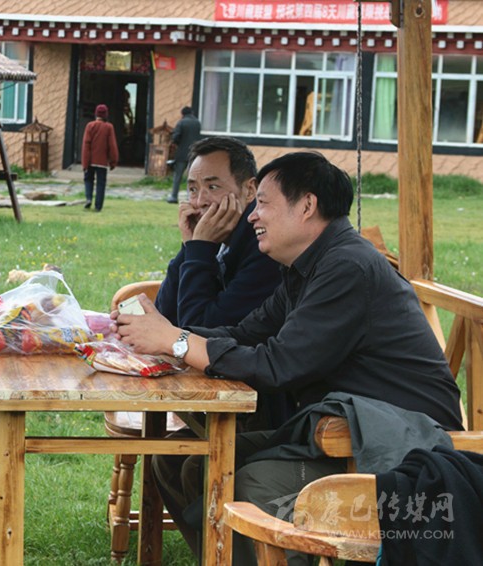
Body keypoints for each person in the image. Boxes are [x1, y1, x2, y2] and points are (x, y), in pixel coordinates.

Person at [115, 151, 464, 563]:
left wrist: (177, 341)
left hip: (403, 445)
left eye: (262, 203)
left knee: (251, 483)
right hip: (345, 430)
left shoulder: (348, 266)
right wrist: (167, 336)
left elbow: (278, 365)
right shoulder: (307, 267)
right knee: (185, 464)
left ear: (307, 205)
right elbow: (244, 334)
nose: (252, 216)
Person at [154, 136, 290, 430]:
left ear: (249, 190)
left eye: (213, 187)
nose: (199, 201)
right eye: (193, 189)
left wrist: (200, 249)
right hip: (221, 393)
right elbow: (165, 316)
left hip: (264, 409)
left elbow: (197, 332)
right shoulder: (217, 238)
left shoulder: (264, 248)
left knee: (176, 451)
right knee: (168, 449)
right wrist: (190, 247)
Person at [81, 103, 119, 212]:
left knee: (88, 179)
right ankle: (98, 206)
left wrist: (85, 163)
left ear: (96, 114)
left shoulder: (90, 126)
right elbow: (112, 145)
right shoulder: (109, 127)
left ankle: (88, 198)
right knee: (101, 183)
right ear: (106, 115)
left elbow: (86, 145)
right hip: (102, 162)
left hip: (90, 160)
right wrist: (113, 161)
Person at [167, 106, 201, 204]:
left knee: (178, 176)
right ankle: (190, 197)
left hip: (182, 153)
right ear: (191, 112)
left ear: (183, 114)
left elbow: (175, 137)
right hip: (194, 153)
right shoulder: (197, 123)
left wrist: (177, 143)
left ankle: (174, 196)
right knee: (192, 177)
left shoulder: (181, 123)